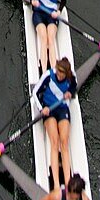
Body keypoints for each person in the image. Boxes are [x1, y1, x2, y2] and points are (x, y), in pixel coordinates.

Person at [33, 57, 77, 192]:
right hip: (49, 109)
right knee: (55, 141)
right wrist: (42, 109)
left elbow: (74, 88)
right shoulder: (48, 75)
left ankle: (69, 182)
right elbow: (35, 92)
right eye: (58, 71)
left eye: (61, 73)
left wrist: (71, 93)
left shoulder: (71, 78)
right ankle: (57, 184)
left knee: (64, 142)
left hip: (62, 108)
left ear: (66, 73)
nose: (58, 74)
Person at [28, 0, 66, 72]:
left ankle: (54, 70)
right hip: (38, 14)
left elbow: (63, 0)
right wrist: (32, 1)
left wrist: (58, 11)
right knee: (44, 39)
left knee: (51, 39)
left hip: (51, 16)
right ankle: (44, 71)